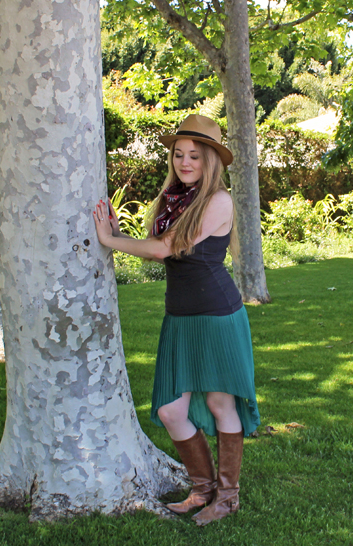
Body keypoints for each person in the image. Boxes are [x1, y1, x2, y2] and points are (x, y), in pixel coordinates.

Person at [93, 114, 259, 526]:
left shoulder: (218, 200)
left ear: (211, 162)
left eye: (195, 157)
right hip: (181, 316)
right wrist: (121, 232)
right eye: (179, 155)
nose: (185, 163)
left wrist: (110, 240)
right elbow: (156, 242)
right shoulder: (174, 199)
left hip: (216, 316)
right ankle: (202, 489)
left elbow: (163, 250)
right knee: (170, 409)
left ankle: (227, 497)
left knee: (220, 403)